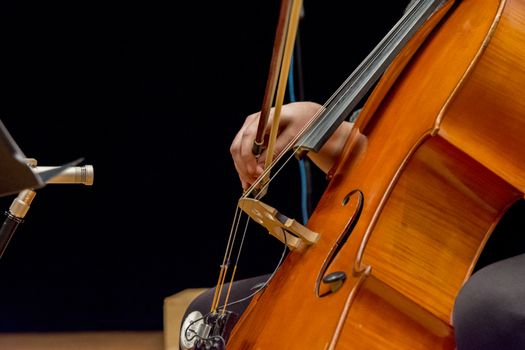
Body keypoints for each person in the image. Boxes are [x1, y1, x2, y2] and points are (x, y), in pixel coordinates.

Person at [180, 100, 525, 350]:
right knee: (211, 320)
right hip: (435, 235)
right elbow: (409, 142)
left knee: (493, 309)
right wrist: (323, 127)